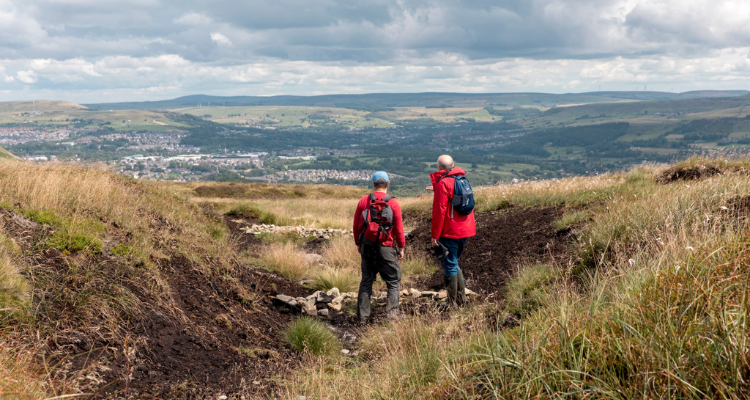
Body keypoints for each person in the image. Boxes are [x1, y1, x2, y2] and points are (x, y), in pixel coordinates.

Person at [353, 171, 405, 324]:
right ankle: (392, 317)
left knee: (367, 281)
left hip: (367, 245)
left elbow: (356, 225)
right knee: (393, 281)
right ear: (388, 184)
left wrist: (358, 243)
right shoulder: (393, 203)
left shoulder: (364, 201)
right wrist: (401, 247)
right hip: (387, 246)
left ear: (373, 184)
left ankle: (362, 318)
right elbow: (399, 229)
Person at [427, 155, 476, 308]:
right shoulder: (462, 179)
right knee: (454, 262)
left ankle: (452, 302)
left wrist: (435, 235)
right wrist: (437, 187)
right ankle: (462, 300)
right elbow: (454, 197)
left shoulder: (443, 183)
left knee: (449, 265)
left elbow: (439, 211)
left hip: (450, 230)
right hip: (465, 229)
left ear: (439, 168)